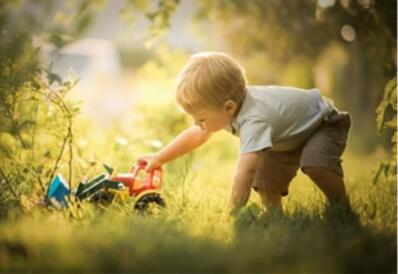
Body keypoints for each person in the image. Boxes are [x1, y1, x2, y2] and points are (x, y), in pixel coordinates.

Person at [138, 51, 352, 214]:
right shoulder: (227, 108)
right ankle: (274, 216)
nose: (197, 123)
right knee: (266, 178)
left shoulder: (254, 119)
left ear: (229, 108)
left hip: (322, 124)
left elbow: (246, 170)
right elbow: (196, 134)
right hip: (288, 134)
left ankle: (341, 208)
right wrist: (159, 159)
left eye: (201, 118)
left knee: (315, 164)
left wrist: (233, 210)